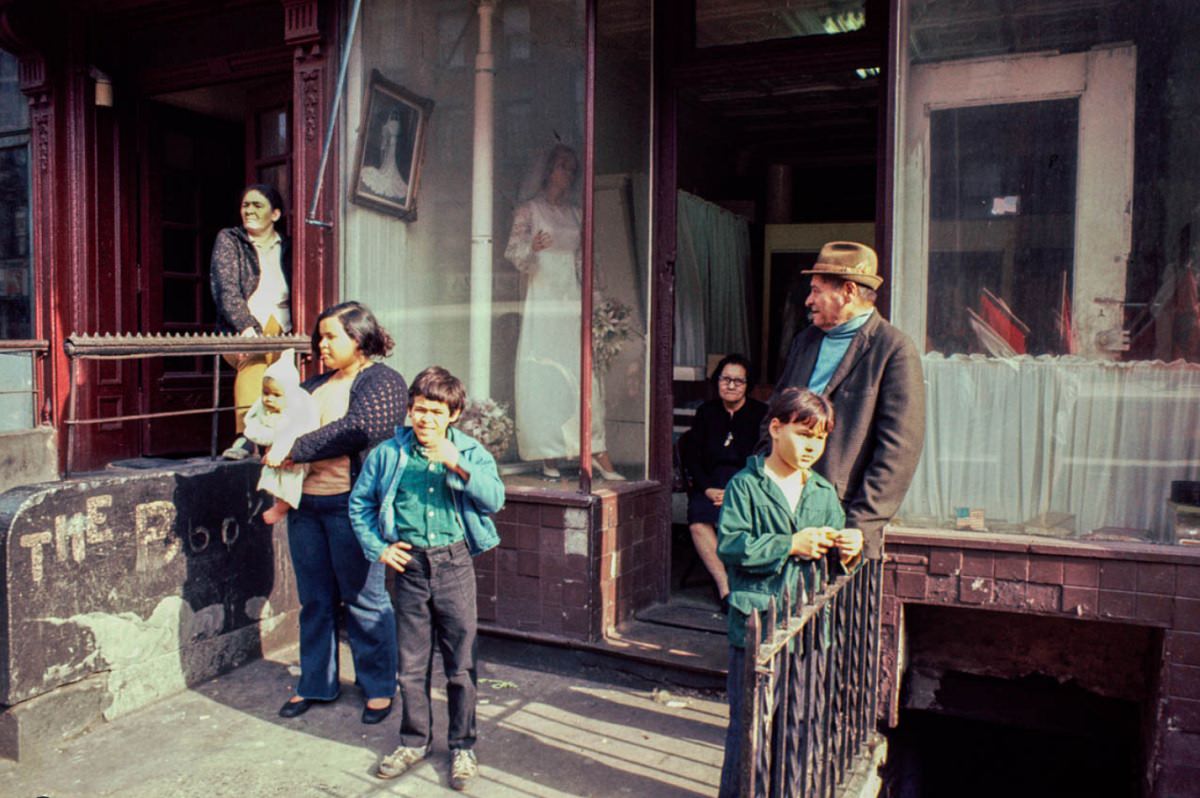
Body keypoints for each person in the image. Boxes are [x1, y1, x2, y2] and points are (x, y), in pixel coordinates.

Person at [348, 366, 504, 791]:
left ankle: (462, 746)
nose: (425, 420)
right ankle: (414, 741)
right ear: (409, 409)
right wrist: (379, 549)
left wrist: (457, 464)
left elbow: (495, 499)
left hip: (454, 564)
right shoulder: (388, 453)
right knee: (411, 666)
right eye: (419, 410)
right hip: (410, 567)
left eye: (436, 412)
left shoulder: (469, 451)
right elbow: (359, 504)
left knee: (460, 664)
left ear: (453, 414)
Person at [262, 301, 406, 725]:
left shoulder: (381, 381)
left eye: (330, 337)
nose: (320, 345)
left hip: (352, 508)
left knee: (365, 600)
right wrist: (269, 440)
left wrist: (295, 448)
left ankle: (379, 686)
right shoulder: (311, 387)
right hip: (307, 506)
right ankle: (316, 683)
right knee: (315, 601)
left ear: (359, 339)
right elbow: (275, 427)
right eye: (319, 337)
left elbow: (362, 427)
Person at [716, 387, 863, 798]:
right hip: (758, 629)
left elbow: (835, 558)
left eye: (819, 439)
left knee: (800, 725)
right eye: (803, 434)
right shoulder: (745, 485)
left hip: (809, 630)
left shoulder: (821, 491)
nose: (810, 447)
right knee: (751, 730)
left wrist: (849, 550)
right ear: (776, 429)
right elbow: (730, 545)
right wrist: (789, 544)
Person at [772, 241, 926, 540]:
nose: (808, 300)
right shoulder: (805, 340)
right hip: (780, 503)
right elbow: (775, 411)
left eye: (817, 290)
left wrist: (859, 526)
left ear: (848, 292)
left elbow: (898, 451)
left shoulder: (893, 348)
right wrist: (760, 478)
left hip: (839, 517)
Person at [504, 143, 623, 481]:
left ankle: (594, 446)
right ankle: (547, 451)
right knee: (544, 373)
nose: (566, 174)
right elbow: (514, 254)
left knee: (582, 372)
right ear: (547, 170)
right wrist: (533, 248)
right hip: (543, 298)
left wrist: (598, 306)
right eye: (561, 167)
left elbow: (586, 262)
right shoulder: (528, 210)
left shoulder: (575, 214)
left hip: (570, 299)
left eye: (572, 169)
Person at [210, 183, 292, 459]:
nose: (249, 210)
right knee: (256, 355)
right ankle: (248, 436)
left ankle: (264, 439)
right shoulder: (230, 240)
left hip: (285, 329)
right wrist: (247, 327)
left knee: (281, 372)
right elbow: (226, 291)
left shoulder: (288, 246)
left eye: (258, 205)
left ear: (276, 214)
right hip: (240, 330)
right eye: (246, 205)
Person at [678, 354, 767, 608]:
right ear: (717, 381)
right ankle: (727, 588)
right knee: (698, 520)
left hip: (746, 485)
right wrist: (706, 489)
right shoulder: (706, 412)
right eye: (725, 379)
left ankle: (746, 581)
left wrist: (736, 491)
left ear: (747, 385)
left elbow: (762, 459)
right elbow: (692, 458)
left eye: (738, 381)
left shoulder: (760, 414)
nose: (730, 385)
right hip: (711, 483)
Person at [240, 349, 321, 525]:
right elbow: (252, 419)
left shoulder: (297, 408)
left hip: (297, 453)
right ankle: (277, 501)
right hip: (276, 451)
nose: (269, 399)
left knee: (290, 478)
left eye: (276, 395)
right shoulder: (266, 406)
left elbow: (293, 432)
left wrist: (278, 451)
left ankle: (281, 508)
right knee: (273, 476)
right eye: (266, 393)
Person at [359, 108, 409, 202]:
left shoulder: (388, 126)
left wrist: (385, 147)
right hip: (393, 147)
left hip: (393, 147)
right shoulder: (396, 126)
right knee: (389, 162)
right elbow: (386, 141)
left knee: (390, 163)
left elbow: (385, 141)